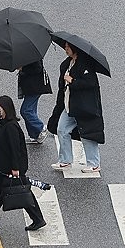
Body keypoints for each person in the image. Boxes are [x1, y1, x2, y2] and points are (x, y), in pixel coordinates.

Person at [0, 95, 48, 232]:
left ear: (5, 109)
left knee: (21, 192)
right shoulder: (3, 124)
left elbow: (15, 149)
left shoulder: (11, 127)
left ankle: (38, 219)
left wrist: (15, 168)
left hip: (9, 169)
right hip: (2, 168)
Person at [47, 42, 104, 173]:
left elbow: (90, 83)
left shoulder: (85, 64)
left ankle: (94, 163)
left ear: (75, 48)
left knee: (87, 134)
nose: (65, 49)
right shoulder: (67, 64)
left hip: (84, 107)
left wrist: (72, 81)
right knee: (61, 129)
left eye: (68, 47)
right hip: (69, 106)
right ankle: (65, 161)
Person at [17, 60, 51, 145]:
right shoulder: (27, 52)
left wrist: (23, 68)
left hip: (36, 86)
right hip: (31, 87)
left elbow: (37, 68)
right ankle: (35, 136)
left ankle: (41, 128)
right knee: (31, 111)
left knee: (25, 111)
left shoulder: (32, 55)